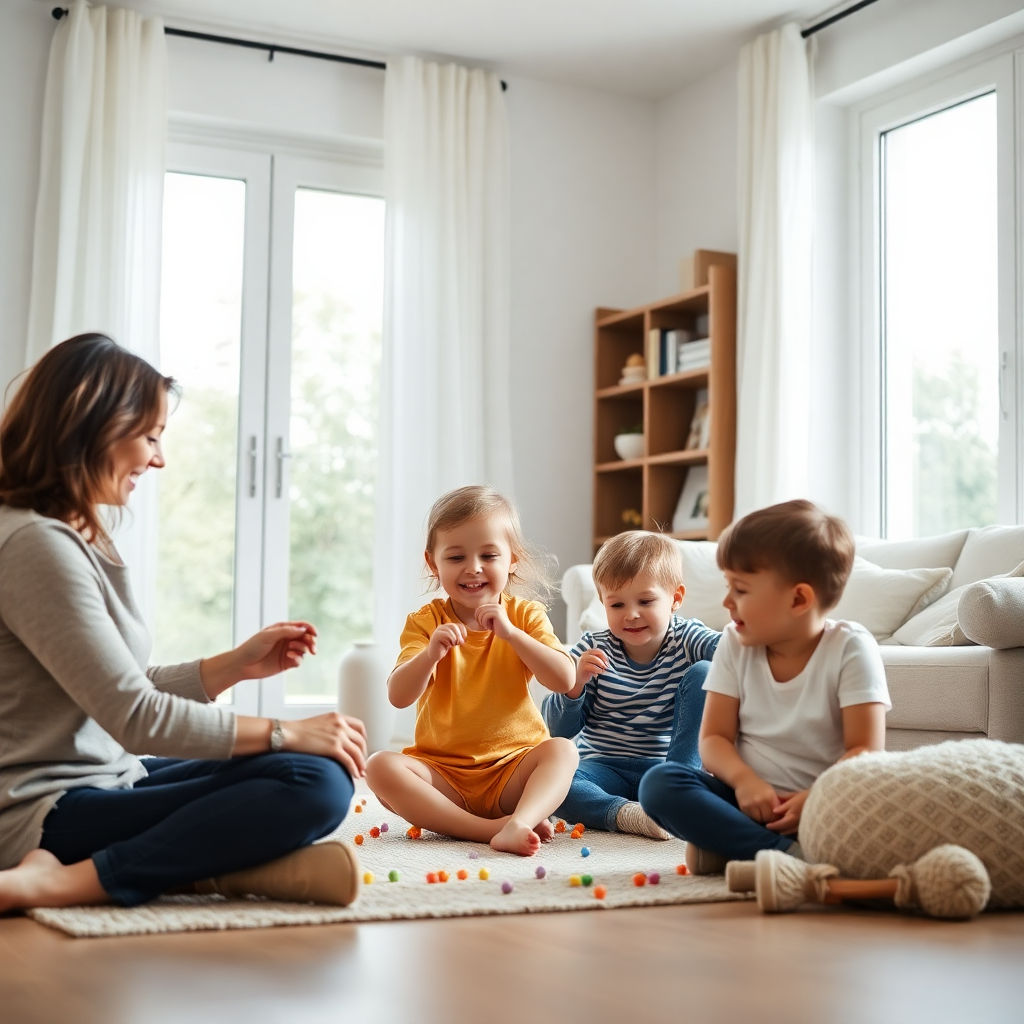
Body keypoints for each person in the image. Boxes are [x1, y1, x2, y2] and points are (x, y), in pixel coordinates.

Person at [0, 334, 368, 914]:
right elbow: (134, 716)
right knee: (310, 780)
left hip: (109, 776)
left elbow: (112, 690)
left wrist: (234, 665)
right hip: (45, 811)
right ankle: (68, 884)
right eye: (150, 436)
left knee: (315, 769)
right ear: (94, 424)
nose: (158, 459)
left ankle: (207, 872)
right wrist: (283, 730)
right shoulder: (34, 544)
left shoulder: (66, 534)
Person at [639, 499, 890, 873]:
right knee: (658, 784)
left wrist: (815, 797)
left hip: (828, 802)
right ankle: (786, 856)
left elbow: (865, 750)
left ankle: (741, 848)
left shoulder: (851, 649)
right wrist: (745, 783)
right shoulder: (733, 644)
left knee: (878, 805)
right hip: (748, 800)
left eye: (740, 589)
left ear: (798, 599)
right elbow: (713, 741)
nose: (727, 601)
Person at [365, 485, 579, 856]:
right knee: (379, 767)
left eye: (489, 555)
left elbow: (564, 679)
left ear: (512, 559)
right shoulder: (426, 622)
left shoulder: (525, 616)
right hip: (443, 778)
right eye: (456, 556)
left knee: (562, 751)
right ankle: (493, 829)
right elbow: (398, 696)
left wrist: (512, 635)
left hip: (513, 772)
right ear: (433, 563)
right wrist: (431, 654)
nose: (473, 568)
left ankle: (519, 819)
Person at [543, 531, 719, 838]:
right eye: (617, 605)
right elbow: (557, 730)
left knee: (705, 672)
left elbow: (735, 654)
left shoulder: (689, 637)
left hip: (664, 768)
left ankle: (677, 793)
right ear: (603, 603)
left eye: (646, 601)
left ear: (675, 598)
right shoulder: (592, 649)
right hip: (603, 767)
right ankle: (627, 815)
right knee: (554, 785)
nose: (632, 615)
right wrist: (575, 684)